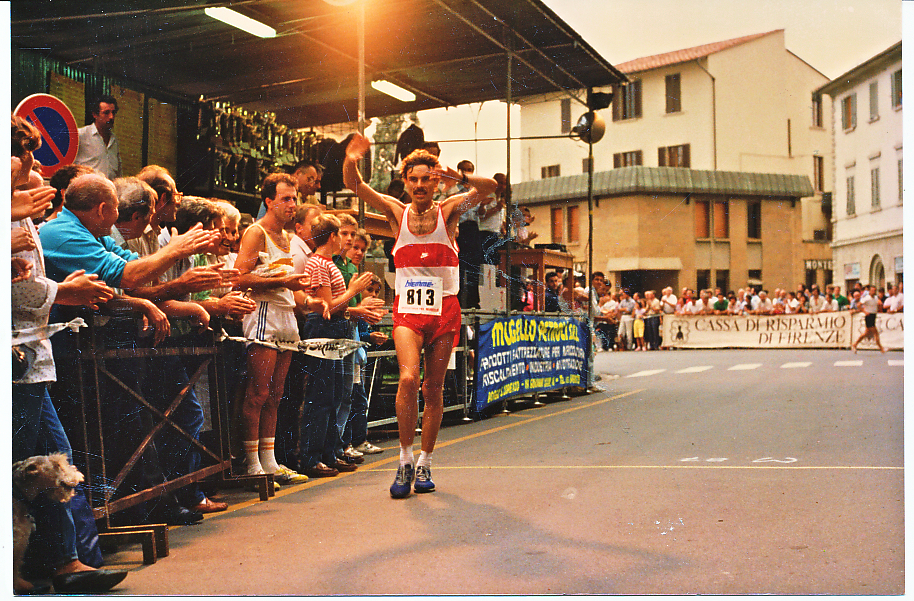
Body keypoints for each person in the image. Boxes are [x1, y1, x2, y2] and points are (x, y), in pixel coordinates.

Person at [343, 132, 496, 498]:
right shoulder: (398, 213)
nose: (420, 185)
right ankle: (405, 458)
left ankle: (426, 459)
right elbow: (357, 185)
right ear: (405, 181)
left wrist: (455, 176)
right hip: (409, 312)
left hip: (445, 310)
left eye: (427, 178)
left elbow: (489, 187)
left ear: (435, 180)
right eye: (413, 179)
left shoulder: (449, 210)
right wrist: (351, 158)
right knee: (408, 378)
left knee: (433, 387)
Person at [12, 117, 127, 593]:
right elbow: (21, 290)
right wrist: (65, 290)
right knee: (27, 468)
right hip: (16, 362)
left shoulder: (22, 216)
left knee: (54, 466)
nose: (33, 165)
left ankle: (63, 561)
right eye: (24, 154)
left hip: (33, 359)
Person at [234, 172, 316, 484]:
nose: (292, 204)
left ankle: (270, 461)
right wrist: (282, 280)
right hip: (263, 313)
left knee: (276, 394)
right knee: (258, 392)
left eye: (295, 198)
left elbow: (291, 287)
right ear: (268, 201)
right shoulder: (256, 233)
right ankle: (251, 462)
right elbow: (238, 277)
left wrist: (309, 300)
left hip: (285, 314)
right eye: (285, 198)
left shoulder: (290, 239)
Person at [298, 213, 374, 478]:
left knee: (332, 395)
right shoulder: (319, 264)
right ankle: (312, 455)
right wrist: (353, 291)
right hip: (324, 329)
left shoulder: (327, 263)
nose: (347, 240)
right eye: (342, 234)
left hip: (336, 329)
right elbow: (327, 307)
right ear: (332, 236)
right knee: (321, 396)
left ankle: (329, 452)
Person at [74, 96, 121, 180]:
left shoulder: (114, 140)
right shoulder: (81, 135)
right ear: (95, 114)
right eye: (106, 113)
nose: (111, 117)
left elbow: (118, 173)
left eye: (113, 113)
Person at [851, 284, 887, 353]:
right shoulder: (866, 298)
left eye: (875, 291)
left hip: (873, 315)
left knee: (866, 333)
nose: (874, 292)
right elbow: (858, 304)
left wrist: (879, 307)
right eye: (872, 291)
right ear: (870, 291)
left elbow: (878, 303)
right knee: (875, 332)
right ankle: (881, 348)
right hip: (869, 316)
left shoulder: (876, 298)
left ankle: (855, 344)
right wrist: (864, 311)